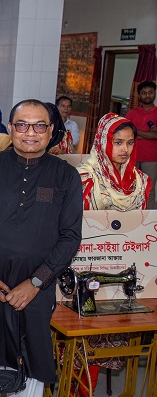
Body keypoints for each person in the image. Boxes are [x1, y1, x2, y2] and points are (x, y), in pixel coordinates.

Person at [0, 99, 83, 396]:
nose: (31, 132)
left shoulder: (65, 176)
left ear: (51, 130)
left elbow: (70, 236)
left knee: (30, 367)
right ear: (11, 128)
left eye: (40, 125)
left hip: (36, 292)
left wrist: (36, 282)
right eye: (22, 124)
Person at [73, 113, 152, 394]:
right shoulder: (83, 178)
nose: (124, 149)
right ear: (104, 141)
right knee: (81, 344)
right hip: (84, 265)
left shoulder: (141, 182)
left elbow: (140, 230)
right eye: (117, 142)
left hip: (121, 266)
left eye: (130, 143)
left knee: (113, 332)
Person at [127, 81, 157, 209]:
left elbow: (156, 136)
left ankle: (149, 223)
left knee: (148, 191)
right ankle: (132, 221)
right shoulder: (132, 113)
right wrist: (149, 133)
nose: (147, 95)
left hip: (151, 159)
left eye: (150, 92)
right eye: (144, 93)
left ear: (154, 93)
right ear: (139, 95)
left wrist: (135, 131)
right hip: (131, 157)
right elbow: (127, 136)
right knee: (131, 190)